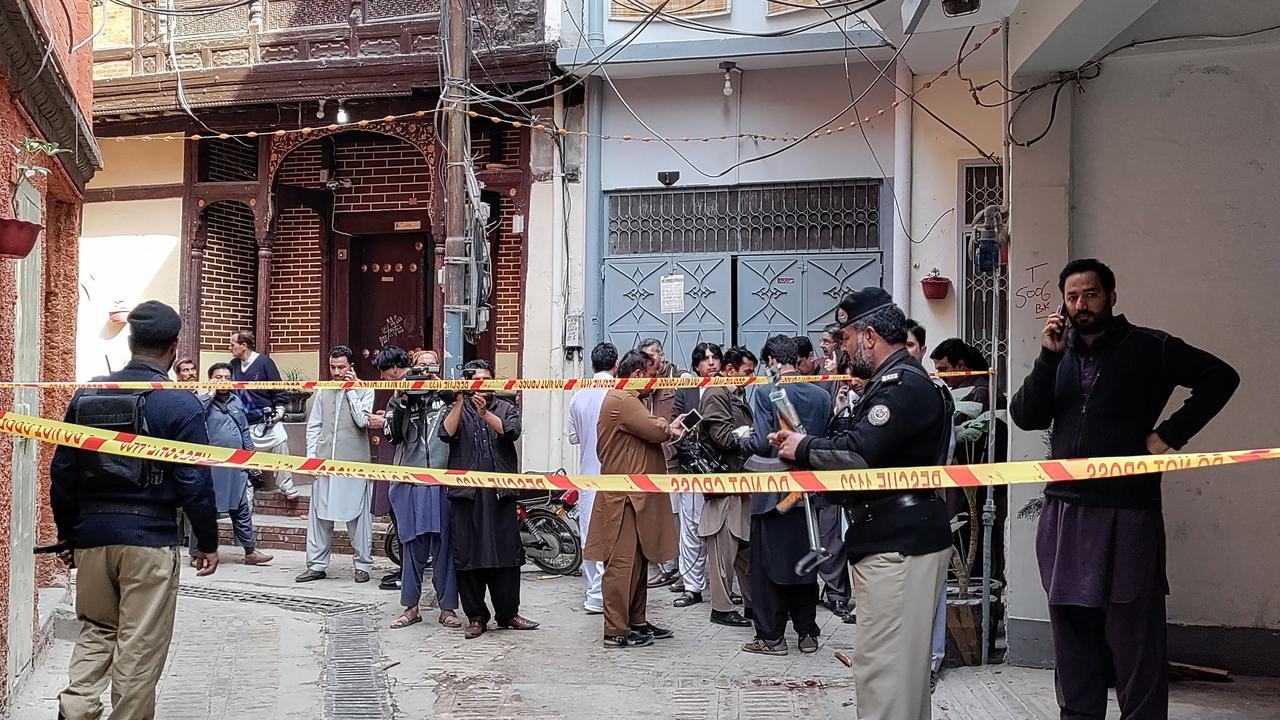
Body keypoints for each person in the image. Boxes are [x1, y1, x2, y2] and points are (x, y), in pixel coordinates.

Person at [1010, 258, 1239, 720]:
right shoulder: (1060, 353)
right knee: (1073, 635)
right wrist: (1048, 357)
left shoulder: (1149, 347)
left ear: (1112, 297)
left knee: (1135, 637)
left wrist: (1171, 433)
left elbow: (1221, 378)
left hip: (1128, 510)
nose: (1081, 305)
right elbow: (1026, 415)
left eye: (1091, 294)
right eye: (1072, 297)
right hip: (1065, 511)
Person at [772, 288, 953, 720]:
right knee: (892, 674)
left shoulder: (902, 385)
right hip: (889, 539)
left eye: (846, 340)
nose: (842, 350)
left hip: (900, 543)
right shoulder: (883, 385)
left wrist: (802, 448)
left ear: (869, 336)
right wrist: (811, 442)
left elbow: (858, 454)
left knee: (887, 674)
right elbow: (846, 444)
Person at [50, 300, 220, 720]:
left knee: (96, 632)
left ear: (130, 340)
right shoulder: (179, 405)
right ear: (174, 346)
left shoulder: (89, 394)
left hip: (92, 537)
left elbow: (63, 472)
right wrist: (207, 542)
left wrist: (69, 536)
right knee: (139, 648)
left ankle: (75, 711)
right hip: (150, 541)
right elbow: (195, 481)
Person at [740, 335, 832, 656]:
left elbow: (767, 443)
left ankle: (771, 637)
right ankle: (807, 633)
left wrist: (742, 443)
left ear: (773, 362)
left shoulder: (767, 393)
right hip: (807, 493)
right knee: (804, 563)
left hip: (774, 493)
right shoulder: (822, 396)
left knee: (767, 568)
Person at [586, 349, 683, 648]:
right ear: (639, 374)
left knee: (638, 564)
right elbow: (655, 431)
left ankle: (636, 621)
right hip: (623, 498)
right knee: (622, 564)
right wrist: (672, 428)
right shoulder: (623, 400)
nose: (654, 382)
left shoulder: (630, 400)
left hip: (636, 496)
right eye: (652, 376)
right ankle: (616, 629)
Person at [440, 359, 539, 638]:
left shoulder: (506, 407)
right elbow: (445, 433)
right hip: (466, 495)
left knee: (506, 555)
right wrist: (460, 401)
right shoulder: (456, 409)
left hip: (500, 493)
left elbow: (511, 432)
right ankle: (476, 616)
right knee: (468, 556)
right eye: (478, 381)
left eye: (488, 380)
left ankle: (508, 613)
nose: (484, 387)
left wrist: (485, 415)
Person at [376, 347, 463, 630]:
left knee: (444, 547)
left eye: (431, 366)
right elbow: (393, 435)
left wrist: (450, 395)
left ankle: (447, 608)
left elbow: (456, 432)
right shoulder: (400, 397)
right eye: (420, 366)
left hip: (441, 480)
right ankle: (410, 607)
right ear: (411, 369)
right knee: (412, 547)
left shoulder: (447, 396)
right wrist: (402, 400)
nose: (426, 371)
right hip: (409, 481)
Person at [296, 346, 376, 584]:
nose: (337, 372)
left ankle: (362, 564)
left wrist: (351, 391)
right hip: (325, 460)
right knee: (320, 515)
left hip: (353, 462)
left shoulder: (367, 388)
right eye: (333, 367)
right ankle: (316, 565)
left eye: (342, 367)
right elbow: (314, 425)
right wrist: (312, 457)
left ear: (351, 366)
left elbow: (363, 420)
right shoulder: (324, 390)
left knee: (357, 517)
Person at [905, 318, 954, 689]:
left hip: (925, 498)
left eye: (910, 346)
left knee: (930, 588)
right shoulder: (884, 388)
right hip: (887, 509)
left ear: (921, 348)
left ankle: (932, 659)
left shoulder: (936, 391)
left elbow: (945, 451)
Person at [696, 346, 755, 628]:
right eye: (748, 371)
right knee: (723, 547)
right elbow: (721, 436)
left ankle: (753, 602)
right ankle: (721, 607)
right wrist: (747, 435)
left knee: (743, 547)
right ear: (730, 370)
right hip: (724, 482)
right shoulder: (717, 393)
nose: (753, 377)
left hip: (739, 481)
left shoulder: (733, 394)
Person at [195, 362, 273, 567]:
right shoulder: (200, 400)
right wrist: (210, 394)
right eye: (218, 377)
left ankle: (250, 551)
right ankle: (198, 553)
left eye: (227, 378)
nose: (223, 381)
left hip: (235, 467)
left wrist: (251, 457)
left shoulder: (236, 402)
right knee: (205, 510)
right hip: (212, 468)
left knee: (242, 508)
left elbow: (244, 431)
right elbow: (195, 417)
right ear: (210, 379)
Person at [668, 341, 721, 607]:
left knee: (723, 531)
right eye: (705, 359)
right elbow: (675, 423)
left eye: (715, 358)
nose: (711, 363)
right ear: (696, 365)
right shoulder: (687, 389)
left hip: (723, 470)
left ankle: (725, 588)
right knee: (690, 528)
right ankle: (692, 586)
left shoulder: (730, 388)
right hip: (692, 467)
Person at [567, 341, 618, 614]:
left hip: (588, 476)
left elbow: (573, 437)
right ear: (616, 365)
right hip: (616, 475)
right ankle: (607, 592)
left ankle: (594, 592)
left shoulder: (578, 396)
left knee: (589, 534)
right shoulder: (620, 395)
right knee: (613, 533)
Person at [229, 331, 299, 499]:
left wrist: (280, 410)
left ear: (243, 346)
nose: (230, 348)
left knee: (281, 439)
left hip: (266, 420)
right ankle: (248, 487)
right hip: (244, 422)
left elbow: (278, 389)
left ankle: (286, 484)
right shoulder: (233, 365)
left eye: (233, 345)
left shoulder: (265, 363)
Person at [637, 337, 681, 589]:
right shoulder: (642, 382)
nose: (649, 363)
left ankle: (673, 567)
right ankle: (661, 565)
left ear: (662, 356)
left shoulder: (678, 379)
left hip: (672, 458)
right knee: (652, 514)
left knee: (674, 516)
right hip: (648, 459)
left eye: (652, 358)